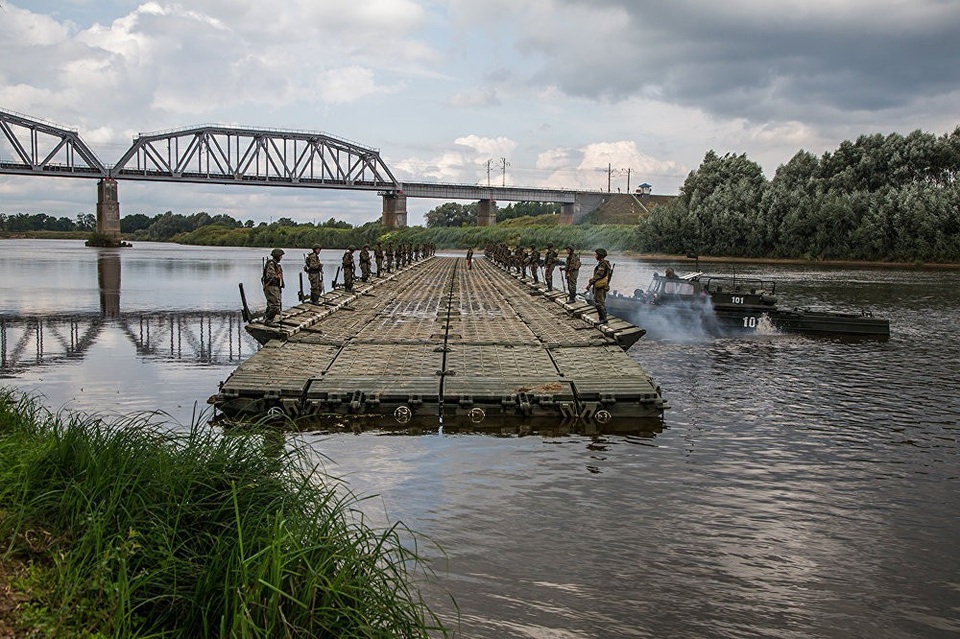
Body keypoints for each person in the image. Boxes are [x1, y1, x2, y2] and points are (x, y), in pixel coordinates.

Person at [585, 247, 612, 325]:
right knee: (600, 302)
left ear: (600, 255)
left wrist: (590, 283)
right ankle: (603, 318)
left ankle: (603, 319)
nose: (595, 256)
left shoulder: (602, 264)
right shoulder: (605, 263)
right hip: (602, 286)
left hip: (600, 286)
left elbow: (599, 275)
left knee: (598, 302)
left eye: (596, 255)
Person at [261, 248, 284, 326]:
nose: (281, 257)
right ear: (277, 256)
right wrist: (278, 277)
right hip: (271, 286)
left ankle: (268, 319)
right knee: (275, 305)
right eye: (280, 256)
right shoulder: (271, 264)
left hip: (275, 286)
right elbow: (271, 276)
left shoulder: (276, 264)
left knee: (273, 304)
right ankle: (268, 320)